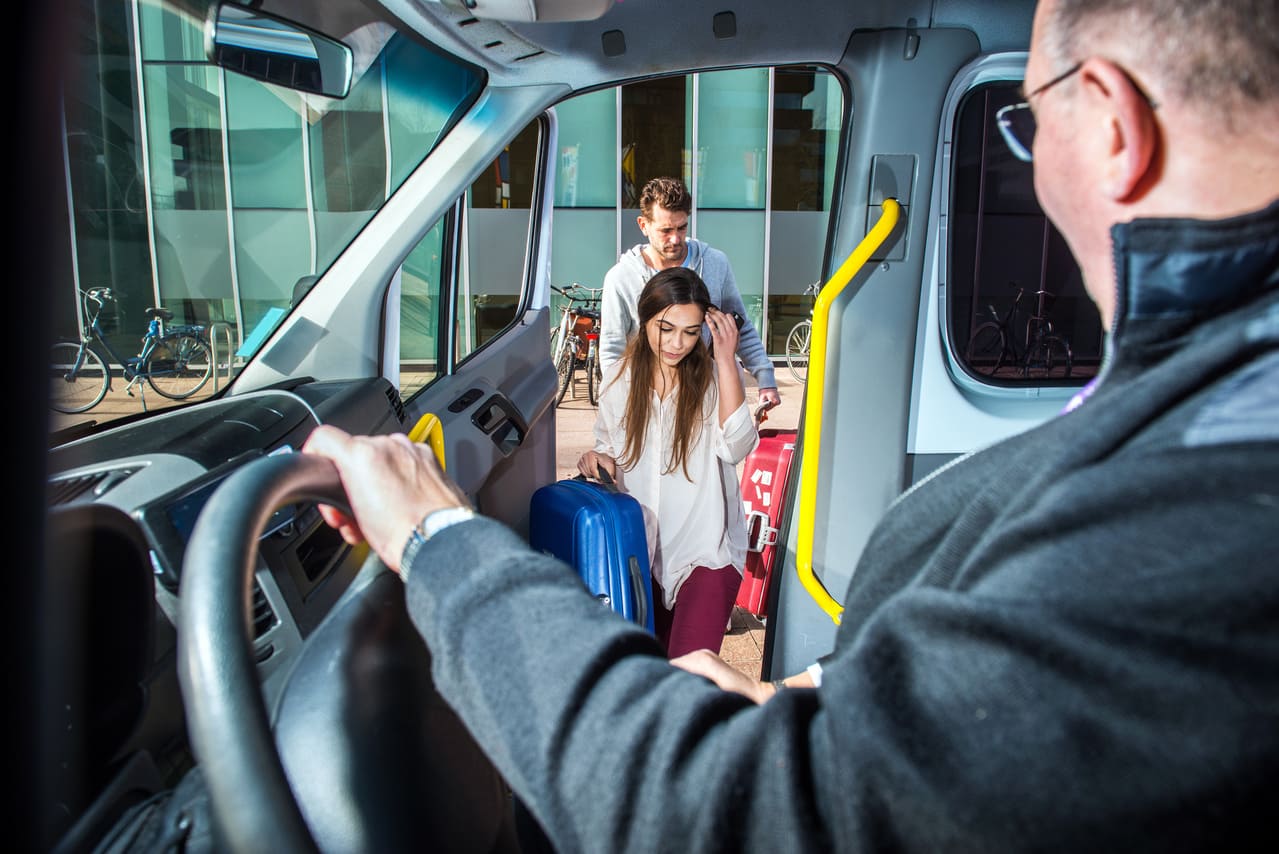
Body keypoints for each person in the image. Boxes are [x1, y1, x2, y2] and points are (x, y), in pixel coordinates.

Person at [303, 0, 1279, 848]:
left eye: (1026, 120)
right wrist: (808, 696)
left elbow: (725, 814)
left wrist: (439, 536)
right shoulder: (1204, 402)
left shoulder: (1215, 499)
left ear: (1109, 124)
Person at [576, 267, 757, 659]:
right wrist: (597, 460)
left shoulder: (713, 379)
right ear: (645, 320)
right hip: (641, 558)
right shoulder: (619, 382)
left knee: (689, 675)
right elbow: (608, 450)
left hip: (706, 553)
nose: (678, 343)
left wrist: (726, 360)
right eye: (666, 328)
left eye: (691, 332)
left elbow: (739, 446)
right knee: (650, 677)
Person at [599, 176, 783, 410]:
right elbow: (612, 350)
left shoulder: (715, 263)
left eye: (681, 227)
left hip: (707, 396)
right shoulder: (621, 278)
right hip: (649, 400)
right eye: (665, 230)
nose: (675, 239)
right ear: (643, 225)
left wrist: (766, 380)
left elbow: (739, 326)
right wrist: (615, 408)